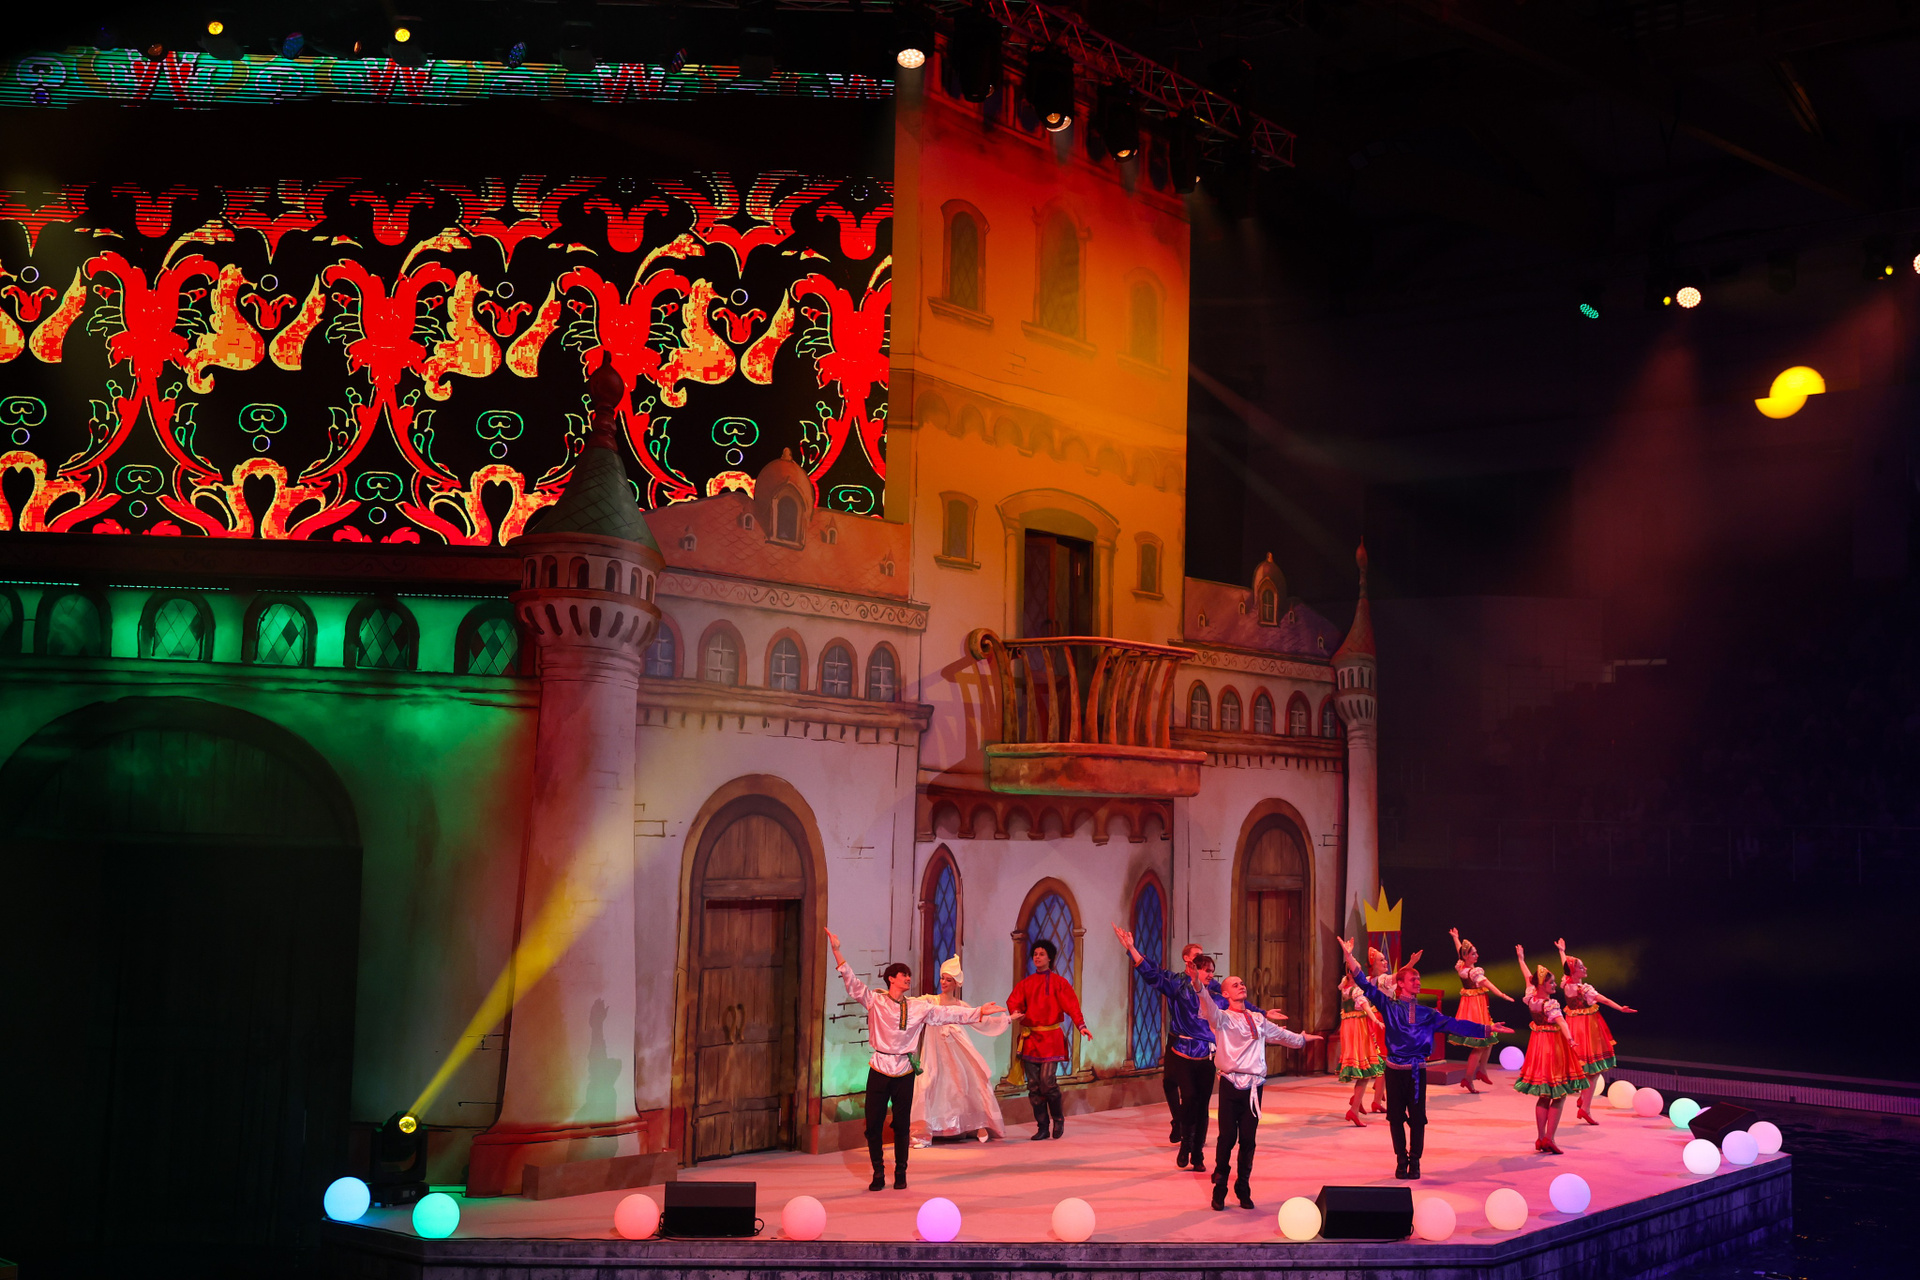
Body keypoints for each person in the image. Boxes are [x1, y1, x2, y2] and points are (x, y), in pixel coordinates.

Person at [828, 929, 1003, 1190]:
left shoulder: (917, 1007)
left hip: (904, 1071)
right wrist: (837, 950)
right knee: (873, 1124)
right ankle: (878, 1172)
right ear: (891, 978)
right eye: (903, 974)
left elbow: (947, 1013)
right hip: (879, 1068)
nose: (908, 978)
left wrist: (978, 1011)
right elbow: (852, 983)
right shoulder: (875, 1001)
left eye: (909, 974)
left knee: (902, 1125)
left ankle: (901, 1171)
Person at [1340, 935, 1511, 1180]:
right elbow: (1363, 984)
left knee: (1418, 1119)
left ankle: (1415, 1161)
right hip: (1394, 1070)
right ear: (1400, 984)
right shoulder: (1389, 1006)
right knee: (1395, 1118)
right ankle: (1401, 1160)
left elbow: (1455, 1025)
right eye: (1413, 979)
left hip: (1416, 1072)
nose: (1418, 982)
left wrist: (1487, 1028)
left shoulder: (1427, 1013)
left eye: (1419, 978)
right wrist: (1349, 956)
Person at [1111, 925, 1261, 1171]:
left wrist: (1264, 1014)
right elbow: (1152, 974)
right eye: (1205, 969)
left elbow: (1240, 1006)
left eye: (1212, 970)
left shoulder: (1215, 994)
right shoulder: (1178, 985)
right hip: (1182, 1052)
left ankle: (1197, 1153)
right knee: (1188, 1097)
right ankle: (1185, 1144)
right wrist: (1132, 948)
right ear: (1192, 966)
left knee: (1202, 1106)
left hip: (1207, 1056)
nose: (1210, 974)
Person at [1189, 965, 1322, 1210]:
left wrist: (1302, 1039)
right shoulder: (1222, 1018)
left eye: (1242, 983)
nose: (1241, 986)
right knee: (1227, 1137)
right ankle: (1220, 1186)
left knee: (1248, 1140)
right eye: (1235, 984)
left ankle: (1243, 1186)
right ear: (1226, 994)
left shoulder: (1258, 1019)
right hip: (1231, 1084)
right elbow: (1206, 1003)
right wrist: (1197, 983)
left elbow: (1282, 1036)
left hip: (1254, 1087)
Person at [909, 956, 1011, 1145]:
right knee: (930, 1084)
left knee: (964, 1083)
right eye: (942, 978)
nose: (944, 983)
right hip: (935, 1053)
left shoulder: (961, 1005)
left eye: (949, 980)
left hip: (958, 1051)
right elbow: (911, 1003)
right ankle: (928, 1128)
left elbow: (982, 1021)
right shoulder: (931, 1001)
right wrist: (891, 997)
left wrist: (1008, 1019)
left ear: (956, 983)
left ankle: (975, 1124)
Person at [1006, 938, 1091, 1141]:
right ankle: (1042, 1126)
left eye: (1041, 954)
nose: (1037, 957)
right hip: (1031, 1039)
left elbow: (1072, 1006)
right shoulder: (1026, 983)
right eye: (1035, 954)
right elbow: (1013, 1001)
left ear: (1050, 958)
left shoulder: (1059, 983)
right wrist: (1016, 1012)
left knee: (1047, 1082)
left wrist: (1081, 1026)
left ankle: (1058, 1118)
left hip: (1051, 1039)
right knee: (1034, 1086)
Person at [1552, 938, 1635, 1127]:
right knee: (1594, 1068)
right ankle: (1585, 1107)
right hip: (1587, 1030)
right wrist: (1620, 1008)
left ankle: (1584, 1100)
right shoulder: (1584, 990)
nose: (1585, 968)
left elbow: (1565, 968)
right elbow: (1604, 1000)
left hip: (1574, 1026)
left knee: (1589, 1067)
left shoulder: (1567, 983)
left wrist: (1562, 951)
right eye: (1581, 967)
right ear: (1575, 971)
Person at [1513, 944, 1585, 1153]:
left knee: (1544, 1095)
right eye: (1551, 982)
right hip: (1553, 1047)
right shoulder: (1550, 1004)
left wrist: (1521, 960)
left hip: (1537, 1047)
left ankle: (1540, 1138)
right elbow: (1561, 1022)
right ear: (1542, 985)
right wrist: (1570, 1039)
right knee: (1559, 1094)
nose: (1555, 985)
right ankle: (1549, 1138)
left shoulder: (1531, 998)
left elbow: (1528, 978)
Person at [1448, 927, 1516, 1093]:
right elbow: (1488, 984)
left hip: (1475, 1006)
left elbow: (1459, 951)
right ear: (1466, 956)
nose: (1477, 955)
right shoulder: (1473, 972)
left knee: (1489, 1038)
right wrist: (1502, 994)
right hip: (1474, 1009)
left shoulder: (1462, 966)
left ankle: (1482, 1070)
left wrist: (1456, 938)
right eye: (1473, 954)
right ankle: (1468, 1078)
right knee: (1479, 1044)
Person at [1336, 971, 1385, 1126]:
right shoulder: (1356, 991)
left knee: (1364, 1071)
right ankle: (1355, 1108)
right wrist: (1376, 1021)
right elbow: (1366, 1007)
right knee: (1366, 1070)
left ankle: (1356, 1103)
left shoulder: (1345, 988)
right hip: (1358, 1031)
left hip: (1349, 1030)